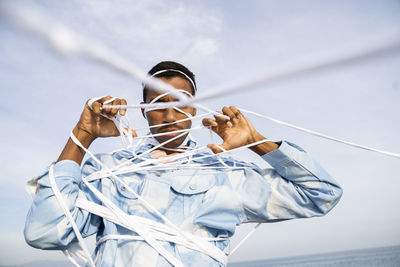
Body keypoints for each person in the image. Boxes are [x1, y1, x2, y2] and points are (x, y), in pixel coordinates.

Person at [24, 61, 342, 267]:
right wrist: (81, 136)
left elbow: (321, 194)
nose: (170, 114)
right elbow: (46, 233)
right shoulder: (106, 171)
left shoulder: (225, 175)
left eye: (182, 102)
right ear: (144, 111)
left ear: (193, 111)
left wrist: (257, 141)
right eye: (158, 104)